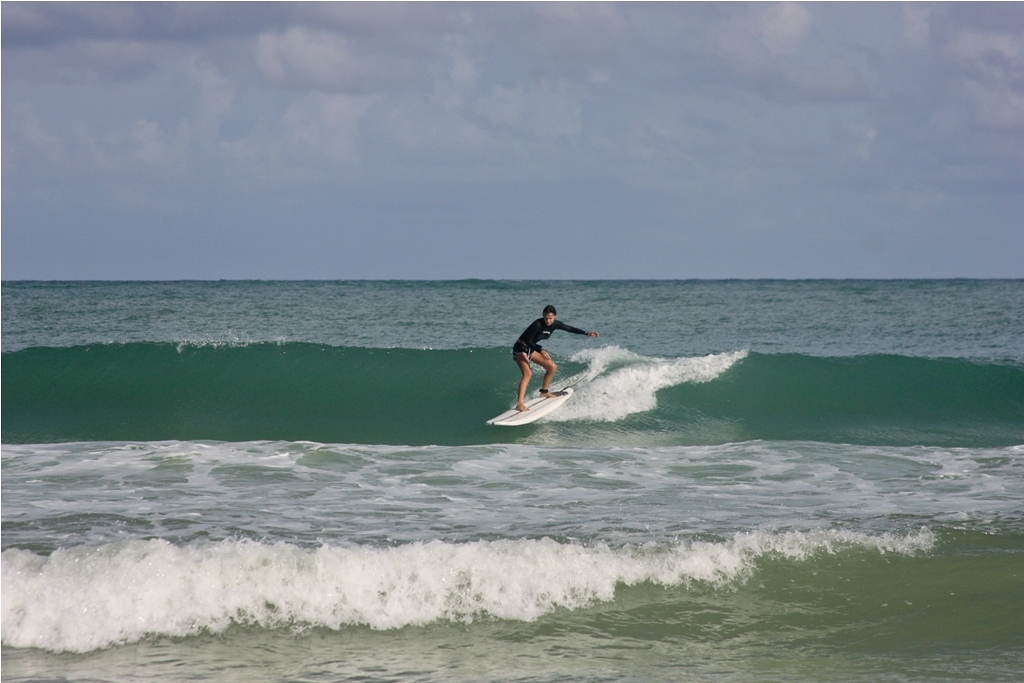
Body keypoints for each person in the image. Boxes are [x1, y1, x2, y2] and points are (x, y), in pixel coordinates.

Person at [512, 305, 598, 412]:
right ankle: (519, 403)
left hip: (531, 348)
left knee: (552, 367)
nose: (548, 321)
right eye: (546, 318)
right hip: (520, 348)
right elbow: (528, 340)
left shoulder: (555, 324)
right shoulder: (537, 324)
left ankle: (544, 392)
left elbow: (569, 328)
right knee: (528, 374)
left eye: (550, 318)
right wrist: (541, 351)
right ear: (543, 316)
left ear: (555, 317)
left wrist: (586, 333)